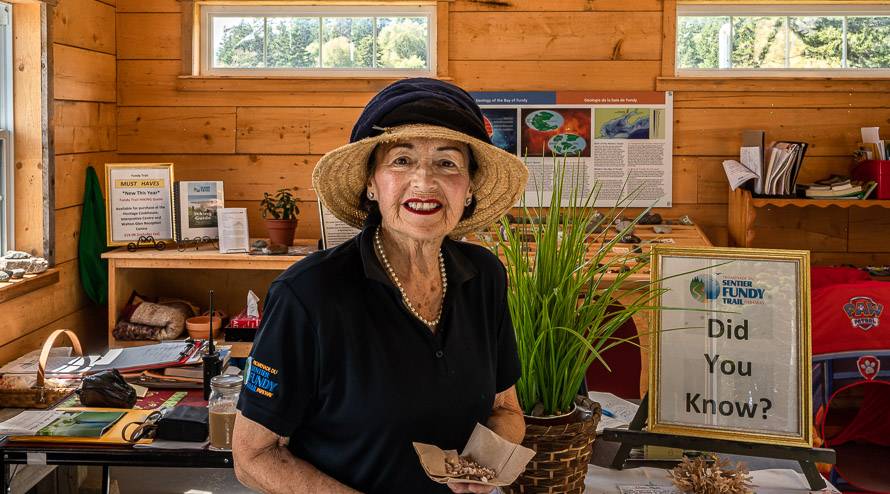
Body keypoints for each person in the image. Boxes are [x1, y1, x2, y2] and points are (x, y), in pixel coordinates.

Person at [232, 78, 529, 494]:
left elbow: (506, 408)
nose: (424, 182)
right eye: (401, 161)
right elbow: (253, 457)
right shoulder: (309, 294)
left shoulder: (484, 276)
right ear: (371, 184)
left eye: (447, 163)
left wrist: (477, 469)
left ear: (470, 187)